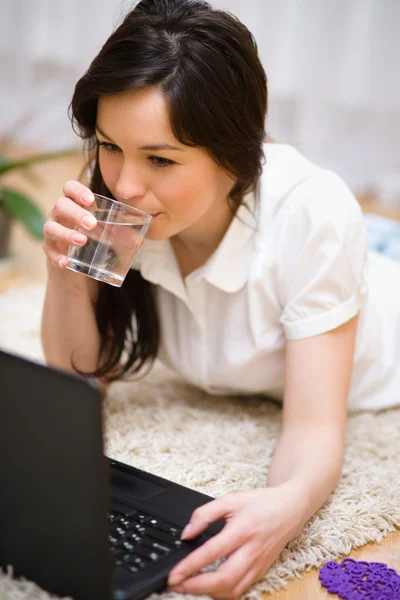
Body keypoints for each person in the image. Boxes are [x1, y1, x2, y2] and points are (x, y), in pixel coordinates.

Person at [41, 0, 400, 597]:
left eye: (160, 158)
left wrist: (282, 509)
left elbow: (313, 429)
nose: (125, 185)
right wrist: (64, 275)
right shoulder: (115, 205)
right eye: (109, 145)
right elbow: (82, 375)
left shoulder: (312, 213)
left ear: (234, 157)